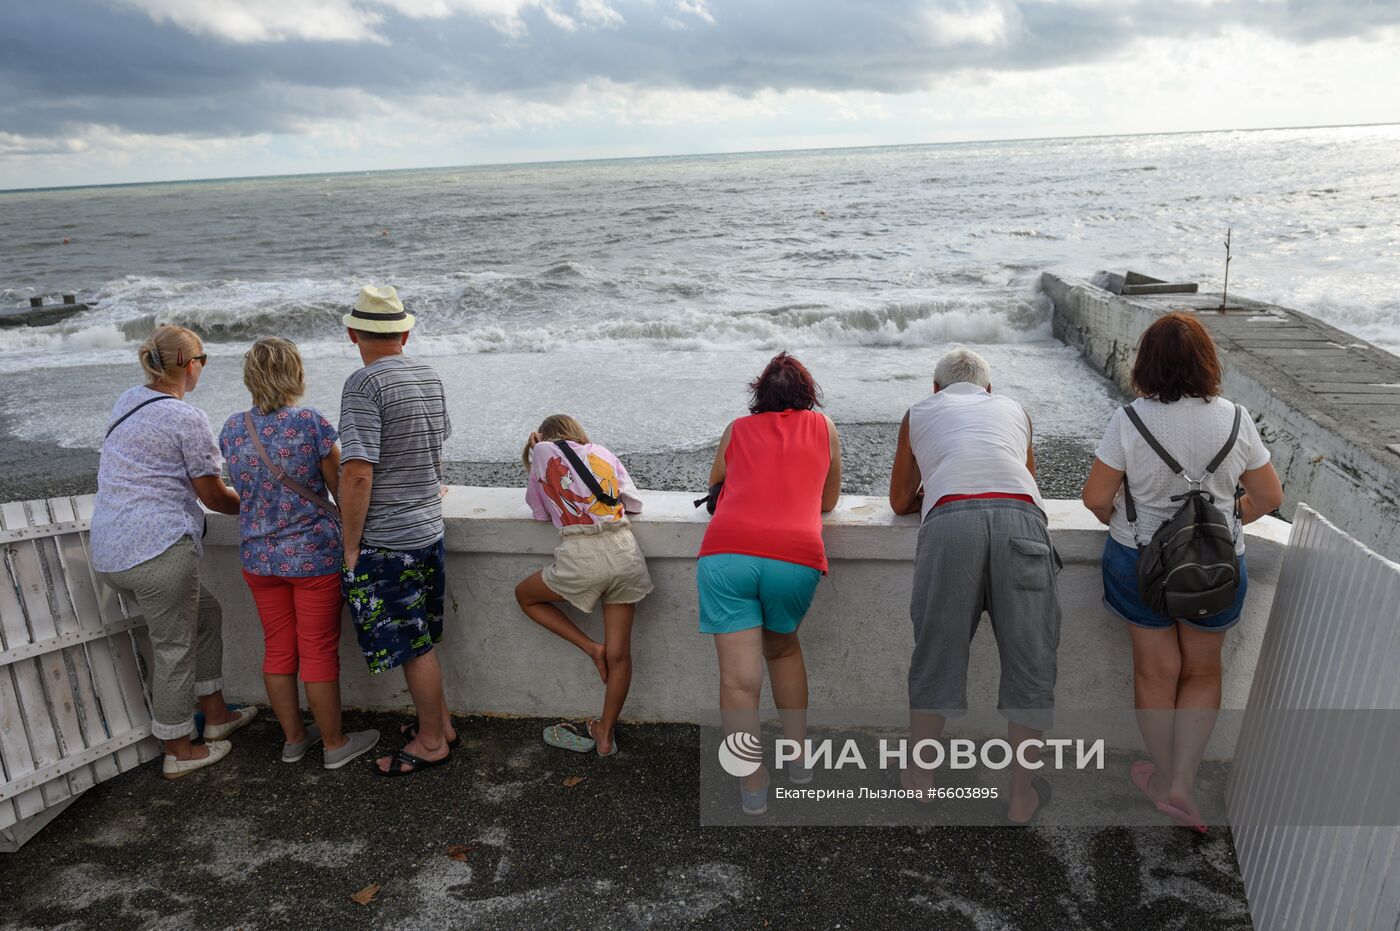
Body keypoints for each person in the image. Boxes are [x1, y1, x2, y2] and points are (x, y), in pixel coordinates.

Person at [1081, 312, 1282, 831]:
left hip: (1138, 560)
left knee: (1156, 671)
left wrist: (1133, 524)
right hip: (1215, 565)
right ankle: (1181, 784)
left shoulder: (1130, 420)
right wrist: (1229, 519)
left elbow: (1095, 498)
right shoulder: (1236, 418)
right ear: (1207, 363)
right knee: (1202, 670)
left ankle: (1163, 772)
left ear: (1146, 363)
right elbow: (1269, 497)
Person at [888, 346, 1059, 824]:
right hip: (1022, 520)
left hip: (950, 522)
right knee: (1030, 658)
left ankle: (921, 781)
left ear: (935, 388)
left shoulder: (920, 411)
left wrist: (940, 477)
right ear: (989, 390)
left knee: (937, 650)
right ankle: (1021, 797)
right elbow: (1028, 476)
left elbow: (901, 499)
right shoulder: (1014, 409)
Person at [91, 325, 257, 779]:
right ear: (189, 365)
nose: (203, 366)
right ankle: (180, 750)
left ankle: (217, 717)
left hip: (111, 551)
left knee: (206, 614)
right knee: (172, 648)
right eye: (203, 358)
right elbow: (214, 497)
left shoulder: (130, 400)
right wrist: (264, 504)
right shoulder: (187, 418)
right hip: (158, 552)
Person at [218, 337, 379, 769]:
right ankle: (333, 744)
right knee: (318, 651)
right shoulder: (310, 423)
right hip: (312, 558)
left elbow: (244, 488)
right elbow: (340, 486)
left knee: (278, 649)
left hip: (258, 558)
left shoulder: (232, 428)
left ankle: (293, 740)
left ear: (251, 377)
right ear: (296, 374)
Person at [698, 352, 841, 815]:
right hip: (795, 557)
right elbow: (830, 498)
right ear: (808, 393)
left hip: (727, 554)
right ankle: (798, 760)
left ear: (759, 394)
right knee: (782, 650)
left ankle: (753, 784)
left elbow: (715, 480)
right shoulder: (825, 428)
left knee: (739, 683)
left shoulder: (738, 429)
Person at [337, 285, 456, 777]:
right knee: (423, 636)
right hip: (428, 527)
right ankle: (441, 725)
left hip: (389, 538)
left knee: (412, 646)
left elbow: (359, 471)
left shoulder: (364, 385)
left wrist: (349, 544)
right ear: (404, 332)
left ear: (353, 333)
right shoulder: (428, 376)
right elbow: (434, 448)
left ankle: (431, 743)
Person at [515, 415, 652, 756]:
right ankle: (604, 736)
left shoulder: (544, 450)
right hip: (625, 551)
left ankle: (591, 647)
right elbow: (633, 502)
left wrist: (536, 448)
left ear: (544, 436)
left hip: (583, 557)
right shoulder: (603, 452)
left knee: (526, 597)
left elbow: (539, 512)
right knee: (621, 655)